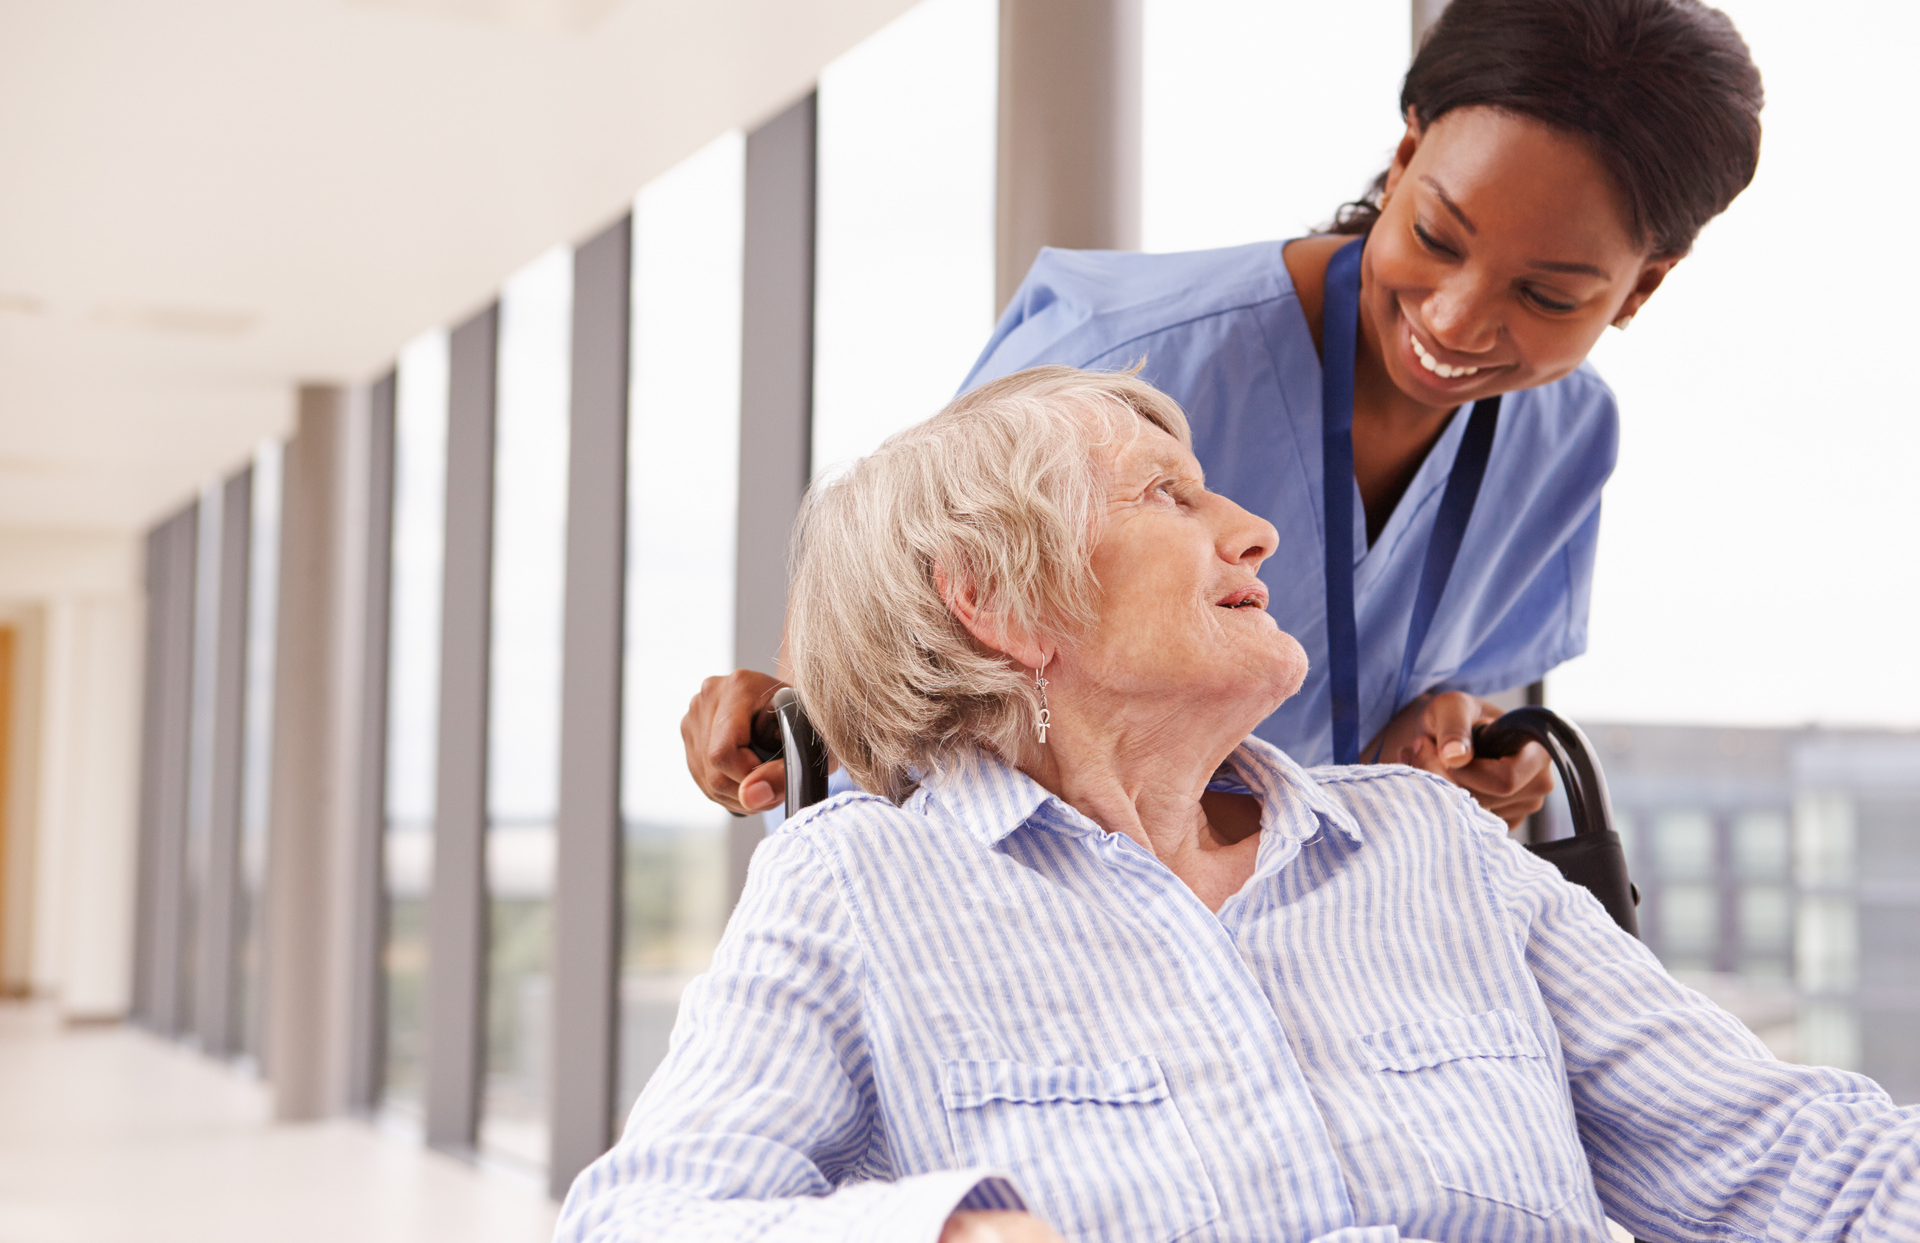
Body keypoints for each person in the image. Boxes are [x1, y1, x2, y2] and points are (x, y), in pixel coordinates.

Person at [560, 368, 1918, 1243]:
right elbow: (645, 1221)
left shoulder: (1430, 843)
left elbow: (1797, 1166)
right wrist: (950, 1235)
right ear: (998, 599)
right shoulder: (861, 886)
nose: (1253, 529)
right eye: (1168, 498)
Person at [679, 0, 1764, 828]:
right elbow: (888, 660)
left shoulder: (1567, 439)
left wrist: (1452, 734)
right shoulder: (1125, 352)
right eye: (1437, 236)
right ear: (1406, 149)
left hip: (1318, 948)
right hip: (1051, 931)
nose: (1457, 320)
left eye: (1545, 294)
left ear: (1641, 286)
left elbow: (1465, 688)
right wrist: (788, 715)